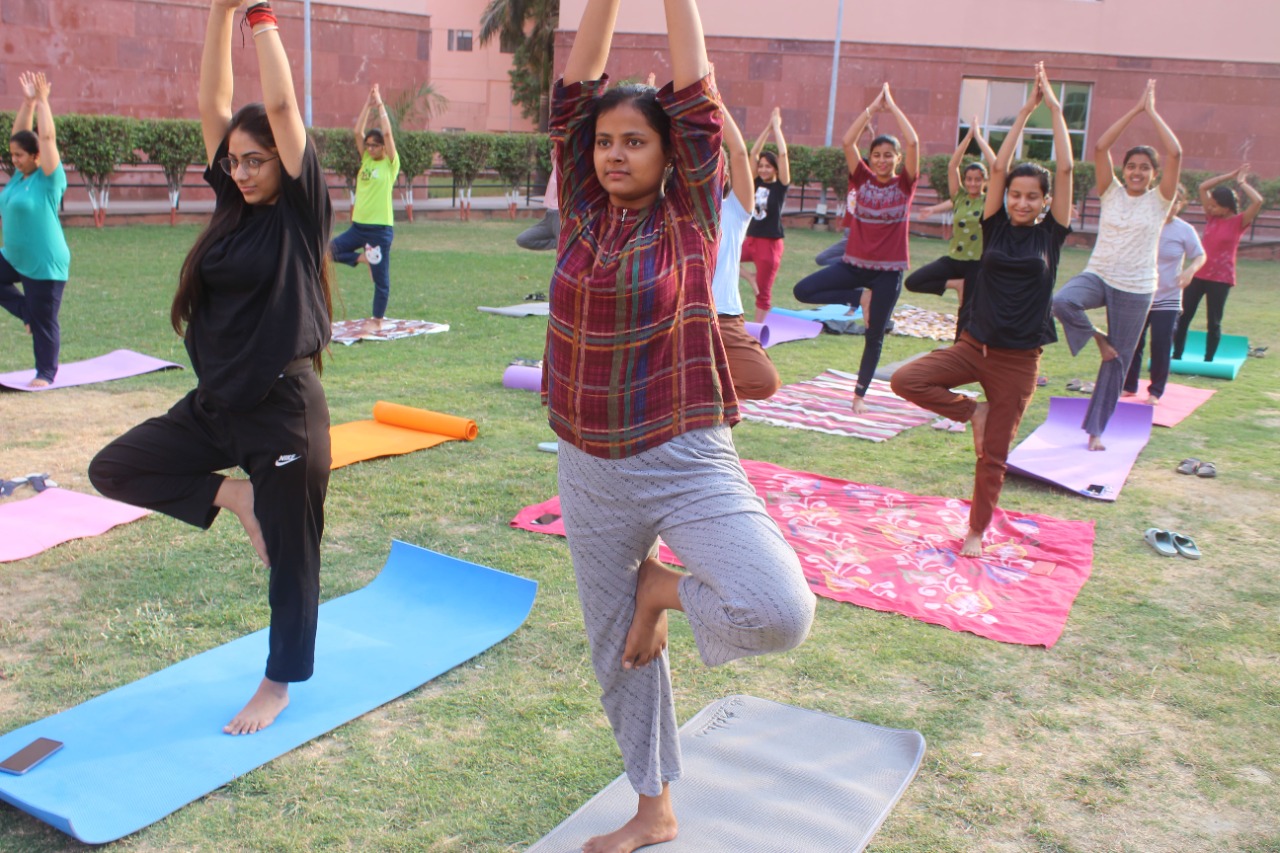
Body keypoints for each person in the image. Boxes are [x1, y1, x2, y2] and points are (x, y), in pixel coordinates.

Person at [546, 0, 816, 849]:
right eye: (605, 141)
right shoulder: (583, 211)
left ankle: (661, 587)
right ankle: (654, 805)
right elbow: (573, 86)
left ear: (671, 156)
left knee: (778, 609)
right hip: (589, 464)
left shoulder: (691, 217)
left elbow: (696, 89)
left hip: (685, 455)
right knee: (613, 651)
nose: (616, 154)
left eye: (636, 140)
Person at [88, 0, 333, 736]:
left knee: (292, 561)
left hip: (284, 405)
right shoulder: (231, 204)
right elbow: (212, 105)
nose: (242, 171)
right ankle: (234, 495)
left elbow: (282, 102)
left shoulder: (299, 210)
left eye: (256, 159)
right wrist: (219, 12)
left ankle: (278, 681)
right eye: (233, 160)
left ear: (283, 161)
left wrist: (260, 15)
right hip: (219, 404)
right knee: (116, 467)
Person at [891, 64, 1073, 558]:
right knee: (906, 380)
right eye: (1015, 194)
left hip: (1019, 361)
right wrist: (1024, 113)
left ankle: (976, 531)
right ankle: (974, 412)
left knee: (993, 457)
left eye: (1030, 197)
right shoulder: (993, 223)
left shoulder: (1050, 235)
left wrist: (1054, 110)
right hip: (973, 347)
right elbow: (996, 167)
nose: (1020, 201)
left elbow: (1067, 170)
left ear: (1044, 203)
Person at [1052, 79, 1181, 450]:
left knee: (1117, 363)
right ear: (1124, 170)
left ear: (1154, 173)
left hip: (1137, 288)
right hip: (1099, 274)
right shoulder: (1111, 191)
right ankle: (1099, 340)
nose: (1137, 172)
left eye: (1144, 168)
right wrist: (1134, 110)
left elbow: (1176, 153)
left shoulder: (1161, 200)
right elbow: (1100, 146)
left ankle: (1096, 431)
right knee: (1061, 301)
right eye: (1132, 166)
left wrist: (1152, 113)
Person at [792, 83, 920, 414]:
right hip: (855, 266)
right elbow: (848, 142)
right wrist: (871, 111)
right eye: (876, 155)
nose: (881, 160)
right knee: (802, 290)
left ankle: (859, 394)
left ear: (898, 159)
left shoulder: (904, 184)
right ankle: (857, 296)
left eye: (888, 155)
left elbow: (914, 141)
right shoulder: (861, 178)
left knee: (874, 333)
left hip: (888, 274)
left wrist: (892, 110)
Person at [1, 71, 70, 387]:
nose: (13, 160)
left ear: (36, 157)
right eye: (12, 154)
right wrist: (27, 102)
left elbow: (46, 139)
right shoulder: (19, 177)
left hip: (44, 263)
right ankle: (26, 311)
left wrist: (43, 101)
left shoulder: (48, 179)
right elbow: (21, 133)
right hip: (14, 257)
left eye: (19, 155)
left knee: (45, 323)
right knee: (35, 314)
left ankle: (46, 373)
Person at [712, 98, 781, 400]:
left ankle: (700, 404)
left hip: (725, 317)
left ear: (724, 176)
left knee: (763, 381)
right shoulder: (672, 209)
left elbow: (740, 153)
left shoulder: (735, 211)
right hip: (678, 318)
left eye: (713, 168)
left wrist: (717, 103)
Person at [906, 116, 997, 320]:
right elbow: (952, 166)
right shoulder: (960, 197)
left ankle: (960, 349)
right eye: (969, 179)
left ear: (985, 181)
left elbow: (997, 167)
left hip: (977, 263)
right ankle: (956, 284)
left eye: (978, 180)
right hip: (954, 259)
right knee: (913, 282)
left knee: (966, 311)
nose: (973, 183)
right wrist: (968, 137)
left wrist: (980, 138)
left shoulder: (990, 200)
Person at [1171, 164, 1265, 363]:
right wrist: (1229, 174)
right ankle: (1177, 355)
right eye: (1210, 205)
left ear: (1227, 206)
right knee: (1183, 316)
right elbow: (1203, 187)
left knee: (1213, 322)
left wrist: (1241, 182)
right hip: (1198, 274)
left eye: (1215, 205)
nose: (1210, 208)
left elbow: (1257, 201)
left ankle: (1208, 361)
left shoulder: (1240, 221)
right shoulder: (1211, 217)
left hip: (1221, 279)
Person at [1122, 184, 1205, 403]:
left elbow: (1199, 255)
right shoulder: (1145, 224)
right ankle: (1129, 386)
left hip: (1168, 298)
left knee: (1161, 343)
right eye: (1169, 200)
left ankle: (1155, 391)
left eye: (1177, 202)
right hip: (1140, 293)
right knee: (1134, 342)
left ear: (1182, 205)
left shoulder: (1184, 230)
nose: (1171, 206)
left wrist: (1190, 270)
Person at [330, 84, 398, 330]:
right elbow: (357, 131)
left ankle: (377, 319)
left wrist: (380, 105)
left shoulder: (391, 164)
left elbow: (388, 135)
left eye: (375, 145)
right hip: (358, 228)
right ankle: (362, 259)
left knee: (381, 281)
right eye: (368, 145)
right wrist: (367, 105)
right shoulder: (367, 159)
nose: (370, 148)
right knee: (327, 252)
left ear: (383, 147)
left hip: (379, 230)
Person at [740, 107, 791, 322]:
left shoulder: (781, 185)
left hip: (770, 243)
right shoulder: (756, 181)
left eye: (768, 167)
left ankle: (758, 332)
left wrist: (777, 129)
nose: (763, 170)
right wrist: (767, 128)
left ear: (776, 170)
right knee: (721, 257)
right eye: (761, 166)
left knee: (763, 294)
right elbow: (752, 153)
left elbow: (783, 154)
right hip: (751, 238)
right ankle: (750, 277)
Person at [515, 159, 561, 250]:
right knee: (522, 239)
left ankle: (562, 244)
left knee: (562, 256)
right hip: (550, 214)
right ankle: (559, 243)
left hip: (560, 212)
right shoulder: (556, 161)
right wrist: (555, 243)